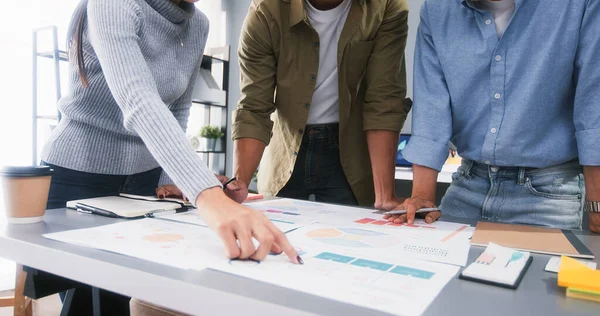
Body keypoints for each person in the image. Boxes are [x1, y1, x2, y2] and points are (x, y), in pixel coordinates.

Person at [37, 0, 300, 314]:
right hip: (77, 177)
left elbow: (178, 110)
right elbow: (138, 99)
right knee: (96, 305)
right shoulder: (114, 4)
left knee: (127, 297)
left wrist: (171, 182)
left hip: (143, 184)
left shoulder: (197, 24)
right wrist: (208, 195)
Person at [385, 0, 600, 234]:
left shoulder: (578, 5)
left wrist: (597, 207)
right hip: (469, 183)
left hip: (550, 191)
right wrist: (422, 196)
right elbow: (431, 109)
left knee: (539, 271)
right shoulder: (438, 8)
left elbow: (593, 106)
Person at [232, 0, 411, 210]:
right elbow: (254, 107)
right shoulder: (267, 10)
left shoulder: (387, 6)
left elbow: (384, 100)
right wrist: (238, 185)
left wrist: (385, 196)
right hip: (285, 150)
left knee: (350, 237)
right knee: (273, 236)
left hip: (349, 153)